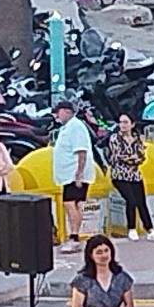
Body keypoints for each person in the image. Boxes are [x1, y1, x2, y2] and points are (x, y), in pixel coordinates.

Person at [51, 100, 97, 254]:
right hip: (69, 175)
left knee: (71, 204)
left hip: (75, 174)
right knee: (72, 204)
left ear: (67, 111)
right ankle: (74, 236)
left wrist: (79, 174)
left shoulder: (76, 127)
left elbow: (81, 151)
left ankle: (74, 237)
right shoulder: (67, 127)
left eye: (58, 112)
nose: (56, 116)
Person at [109, 113, 154, 242]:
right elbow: (119, 155)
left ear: (132, 124)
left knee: (141, 202)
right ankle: (131, 228)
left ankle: (150, 229)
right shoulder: (115, 138)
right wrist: (132, 158)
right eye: (121, 122)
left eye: (125, 122)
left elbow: (141, 156)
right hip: (119, 175)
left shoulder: (137, 139)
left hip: (135, 175)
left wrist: (133, 159)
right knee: (131, 200)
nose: (122, 125)